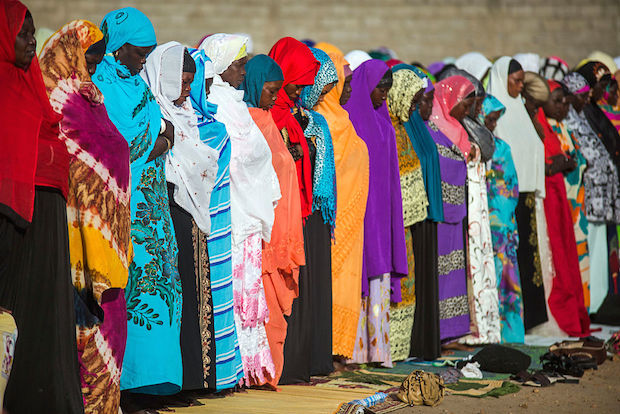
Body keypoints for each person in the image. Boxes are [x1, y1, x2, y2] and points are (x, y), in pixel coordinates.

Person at [39, 19, 131, 413]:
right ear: (73, 54)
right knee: (82, 322)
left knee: (110, 316)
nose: (93, 68)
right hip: (70, 230)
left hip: (104, 231)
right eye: (89, 59)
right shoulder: (56, 98)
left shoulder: (91, 97)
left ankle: (104, 405)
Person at [93, 7, 183, 396]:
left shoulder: (138, 85)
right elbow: (121, 143)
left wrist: (161, 139)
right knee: (126, 291)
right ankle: (126, 384)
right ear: (116, 46)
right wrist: (161, 140)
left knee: (161, 289)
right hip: (119, 205)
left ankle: (153, 382)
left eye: (148, 51)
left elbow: (159, 130)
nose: (144, 57)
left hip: (151, 206)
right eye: (138, 50)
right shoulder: (100, 85)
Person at [0, 2, 82, 412]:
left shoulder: (32, 87)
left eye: (34, 34)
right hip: (12, 226)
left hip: (46, 223)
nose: (32, 43)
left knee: (47, 319)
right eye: (23, 34)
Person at [200, 33, 280, 387]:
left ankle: (246, 368)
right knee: (231, 292)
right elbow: (233, 159)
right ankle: (233, 369)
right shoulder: (215, 101)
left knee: (247, 291)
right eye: (239, 65)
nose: (244, 72)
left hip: (247, 214)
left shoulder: (232, 103)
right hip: (231, 212)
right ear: (222, 67)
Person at [142, 42, 220, 391]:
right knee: (175, 299)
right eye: (183, 83)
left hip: (189, 216)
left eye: (191, 84)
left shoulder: (183, 115)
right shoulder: (153, 110)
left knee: (192, 295)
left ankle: (192, 381)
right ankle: (175, 381)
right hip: (165, 214)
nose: (187, 92)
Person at [239, 53, 305, 388]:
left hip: (282, 228)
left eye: (279, 89)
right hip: (260, 232)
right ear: (253, 84)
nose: (276, 96)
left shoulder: (266, 119)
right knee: (261, 304)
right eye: (270, 89)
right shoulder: (243, 122)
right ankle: (257, 371)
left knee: (276, 305)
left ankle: (269, 371)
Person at [343, 60, 407, 367]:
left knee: (378, 280)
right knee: (357, 280)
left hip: (380, 215)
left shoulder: (385, 127)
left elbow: (391, 179)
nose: (384, 95)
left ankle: (378, 351)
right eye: (381, 88)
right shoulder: (349, 121)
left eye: (388, 89)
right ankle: (352, 352)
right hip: (358, 212)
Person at [188, 48, 244, 390]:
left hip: (220, 220)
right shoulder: (182, 123)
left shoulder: (211, 122)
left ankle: (222, 373)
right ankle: (202, 377)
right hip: (193, 221)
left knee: (220, 296)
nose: (207, 91)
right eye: (202, 83)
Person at [268, 36, 320, 384]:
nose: (300, 91)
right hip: (273, 215)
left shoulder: (289, 113)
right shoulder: (267, 111)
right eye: (296, 84)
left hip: (295, 214)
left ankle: (294, 363)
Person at [314, 50, 369, 363]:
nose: (348, 89)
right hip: (331, 221)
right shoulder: (321, 122)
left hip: (349, 222)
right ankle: (326, 350)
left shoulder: (343, 121)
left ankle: (339, 348)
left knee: (345, 283)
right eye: (342, 83)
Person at [487, 57, 549, 331]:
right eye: (517, 80)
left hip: (525, 196)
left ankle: (533, 318)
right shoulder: (494, 114)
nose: (521, 86)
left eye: (523, 81)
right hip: (504, 200)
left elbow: (536, 145)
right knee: (513, 258)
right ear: (503, 78)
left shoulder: (520, 111)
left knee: (529, 256)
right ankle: (514, 321)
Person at [297, 47, 338, 376]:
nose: (318, 94)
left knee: (316, 286)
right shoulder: (289, 118)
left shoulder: (316, 120)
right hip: (297, 212)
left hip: (318, 216)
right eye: (315, 86)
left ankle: (316, 358)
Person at [537, 80, 590, 337]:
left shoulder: (557, 127)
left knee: (565, 255)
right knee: (554, 256)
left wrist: (561, 164)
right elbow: (545, 165)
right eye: (557, 101)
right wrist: (557, 165)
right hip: (549, 199)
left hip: (566, 202)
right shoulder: (540, 126)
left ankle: (574, 312)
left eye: (565, 102)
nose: (563, 107)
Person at [426, 75, 474, 344]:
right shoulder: (434, 125)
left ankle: (454, 330)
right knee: (440, 271)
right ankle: (440, 332)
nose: (467, 111)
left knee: (453, 270)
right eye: (464, 105)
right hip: (439, 212)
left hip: (456, 213)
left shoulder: (458, 128)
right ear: (450, 99)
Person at [386, 67, 428, 361]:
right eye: (412, 101)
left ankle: (400, 348)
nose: (414, 109)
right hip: (390, 225)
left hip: (406, 226)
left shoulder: (401, 127)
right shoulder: (387, 128)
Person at [481, 95, 526, 343]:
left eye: (495, 120)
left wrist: (504, 222)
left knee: (507, 282)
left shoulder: (503, 149)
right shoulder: (470, 147)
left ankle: (510, 334)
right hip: (479, 228)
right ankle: (486, 333)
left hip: (502, 229)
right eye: (489, 118)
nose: (493, 125)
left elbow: (512, 189)